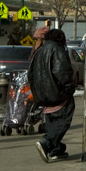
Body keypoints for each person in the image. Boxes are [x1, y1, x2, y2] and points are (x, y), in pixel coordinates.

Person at [28, 29, 75, 163]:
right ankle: (47, 143)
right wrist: (69, 88)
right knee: (63, 121)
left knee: (51, 122)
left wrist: (37, 93)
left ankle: (56, 150)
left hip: (43, 96)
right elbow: (62, 72)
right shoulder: (57, 50)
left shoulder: (39, 51)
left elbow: (30, 74)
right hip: (57, 94)